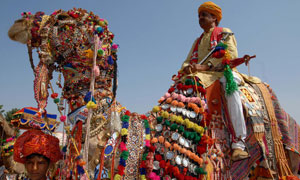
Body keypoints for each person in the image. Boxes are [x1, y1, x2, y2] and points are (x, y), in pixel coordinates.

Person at [179, 1, 248, 161]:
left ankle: (239, 143)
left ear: (214, 18)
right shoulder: (197, 41)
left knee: (229, 89)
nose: (200, 18)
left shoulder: (224, 32)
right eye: (199, 16)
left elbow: (230, 54)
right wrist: (188, 68)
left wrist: (205, 67)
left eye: (204, 15)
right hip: (200, 76)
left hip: (222, 72)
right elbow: (187, 61)